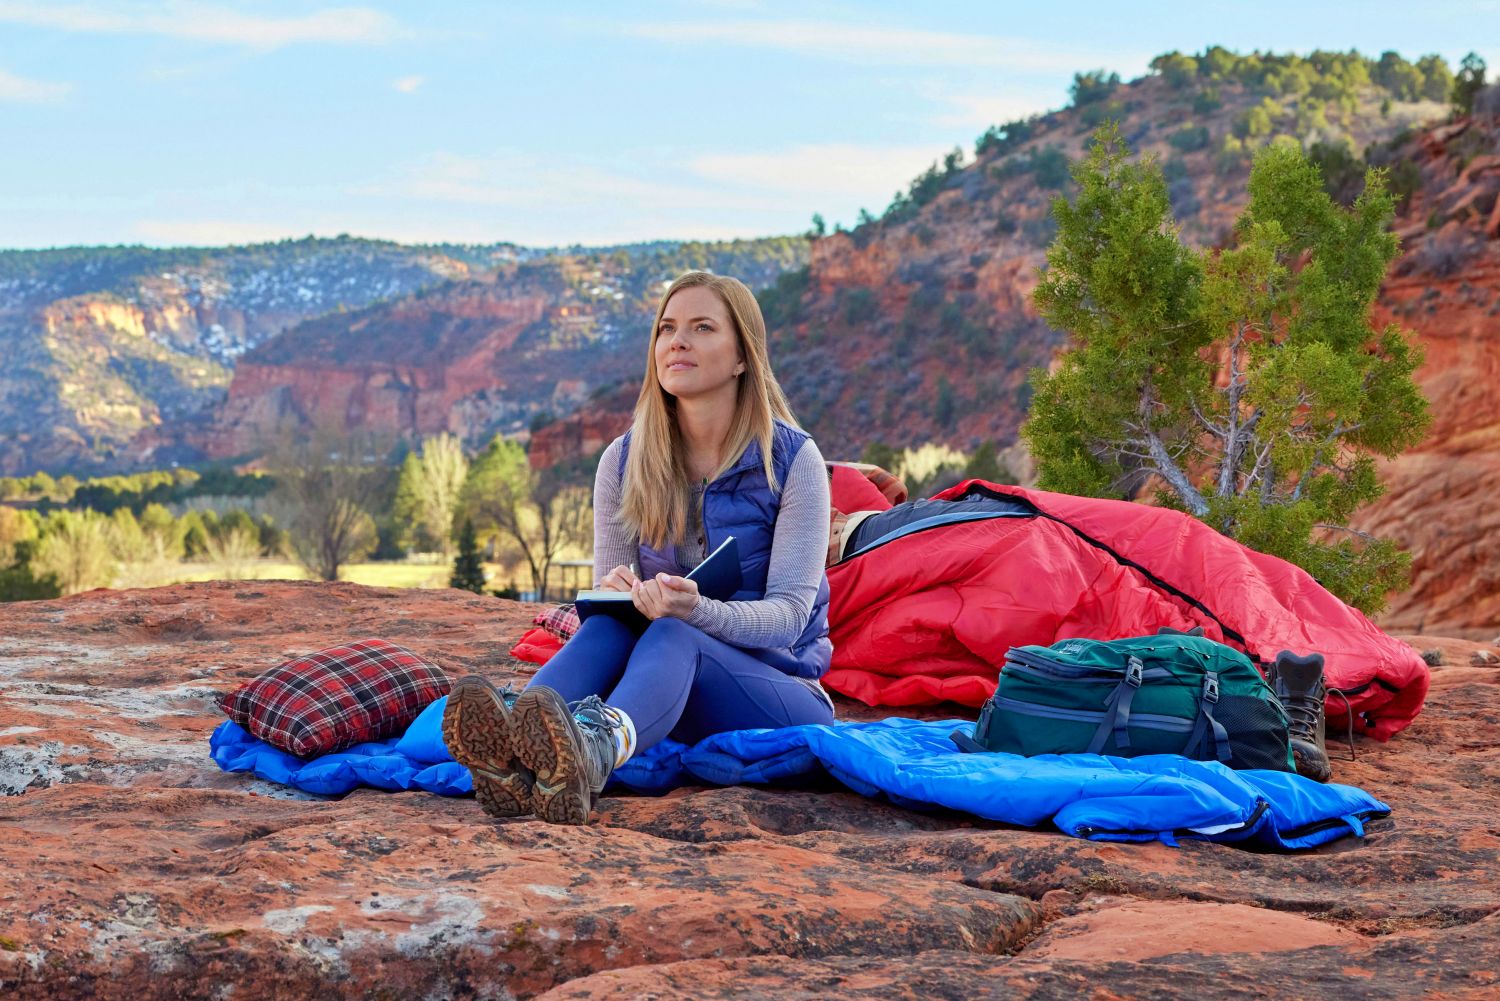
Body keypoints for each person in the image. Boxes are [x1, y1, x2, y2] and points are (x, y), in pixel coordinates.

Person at [443, 271, 836, 825]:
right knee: (610, 623)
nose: (678, 341)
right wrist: (613, 592)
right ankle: (513, 742)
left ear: (743, 356)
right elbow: (609, 598)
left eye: (702, 327)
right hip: (664, 689)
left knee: (677, 628)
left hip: (779, 690)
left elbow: (790, 620)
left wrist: (696, 609)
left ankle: (593, 749)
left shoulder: (793, 463)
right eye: (667, 328)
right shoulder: (624, 461)